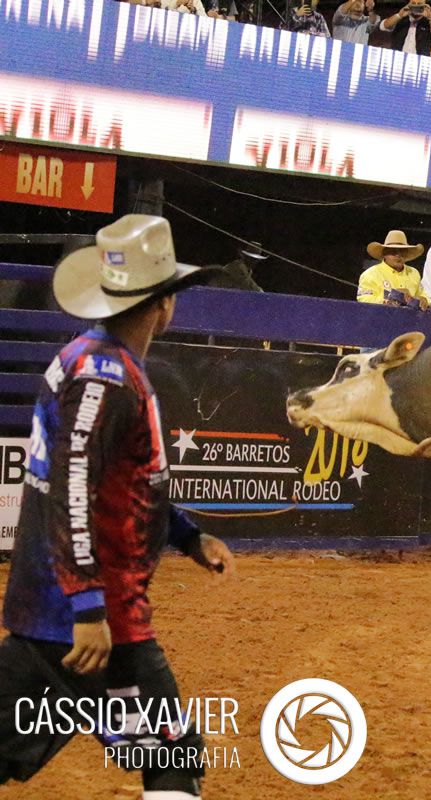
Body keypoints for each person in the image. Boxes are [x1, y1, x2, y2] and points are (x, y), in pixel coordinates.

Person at [0, 214, 235, 798]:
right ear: (164, 304)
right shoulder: (107, 378)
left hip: (50, 616)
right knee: (173, 754)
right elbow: (73, 485)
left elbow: (120, 485)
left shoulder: (94, 363)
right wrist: (87, 607)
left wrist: (186, 536)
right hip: (93, 621)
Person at [357, 229, 429, 308]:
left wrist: (423, 300)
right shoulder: (370, 274)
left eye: (402, 251)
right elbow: (364, 300)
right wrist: (391, 297)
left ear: (407, 253)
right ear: (384, 253)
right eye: (393, 251)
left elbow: (423, 295)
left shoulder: (414, 273)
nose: (398, 255)